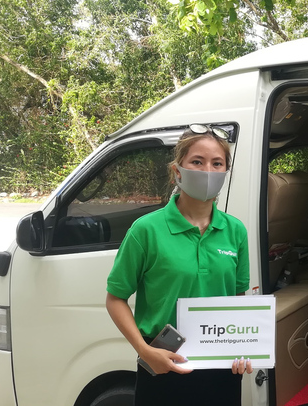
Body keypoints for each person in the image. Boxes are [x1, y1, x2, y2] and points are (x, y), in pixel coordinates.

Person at [105, 124, 252, 406]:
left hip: (219, 367)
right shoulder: (146, 230)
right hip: (163, 362)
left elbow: (237, 301)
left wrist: (243, 348)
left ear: (225, 172)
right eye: (197, 161)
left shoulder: (236, 231)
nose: (207, 171)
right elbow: (115, 299)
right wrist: (144, 351)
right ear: (178, 170)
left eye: (217, 163)